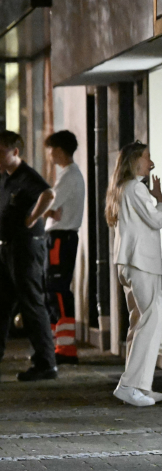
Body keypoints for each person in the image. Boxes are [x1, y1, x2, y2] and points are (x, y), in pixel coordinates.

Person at [0, 130, 57, 383]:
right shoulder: (5, 178)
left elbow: (48, 194)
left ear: (15, 152)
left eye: (0, 151)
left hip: (23, 248)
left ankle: (46, 363)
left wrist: (32, 218)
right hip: (4, 249)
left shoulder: (26, 175)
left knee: (32, 304)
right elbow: (0, 198)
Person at [106, 142, 162, 406]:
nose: (150, 161)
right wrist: (160, 200)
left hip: (128, 263)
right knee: (152, 320)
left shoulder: (123, 188)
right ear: (135, 161)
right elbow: (157, 221)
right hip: (142, 263)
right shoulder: (136, 189)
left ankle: (141, 385)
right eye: (147, 157)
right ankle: (130, 384)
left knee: (139, 321)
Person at [43, 131, 85, 365]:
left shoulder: (69, 176)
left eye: (50, 150)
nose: (49, 155)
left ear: (58, 150)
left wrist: (45, 209)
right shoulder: (68, 175)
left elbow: (48, 202)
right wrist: (49, 210)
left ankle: (66, 348)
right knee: (52, 290)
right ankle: (56, 345)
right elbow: (50, 206)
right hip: (60, 237)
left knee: (57, 290)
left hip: (60, 238)